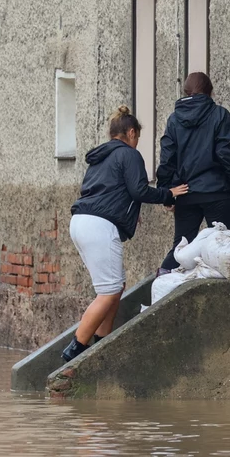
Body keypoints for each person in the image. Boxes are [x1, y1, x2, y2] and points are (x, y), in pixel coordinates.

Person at [62, 106, 188, 362]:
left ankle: (101, 342)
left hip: (81, 221)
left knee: (116, 286)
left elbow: (109, 191)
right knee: (108, 291)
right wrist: (169, 194)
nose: (137, 142)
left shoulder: (101, 157)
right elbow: (139, 190)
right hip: (99, 225)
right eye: (137, 137)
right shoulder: (129, 155)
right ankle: (75, 350)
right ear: (131, 132)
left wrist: (128, 213)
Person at [156, 72, 230, 272]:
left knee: (181, 246)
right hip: (216, 191)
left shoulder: (174, 120)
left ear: (185, 92)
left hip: (185, 192)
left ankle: (161, 283)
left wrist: (167, 194)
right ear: (210, 92)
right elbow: (226, 154)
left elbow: (167, 159)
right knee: (223, 248)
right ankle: (222, 294)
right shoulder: (220, 115)